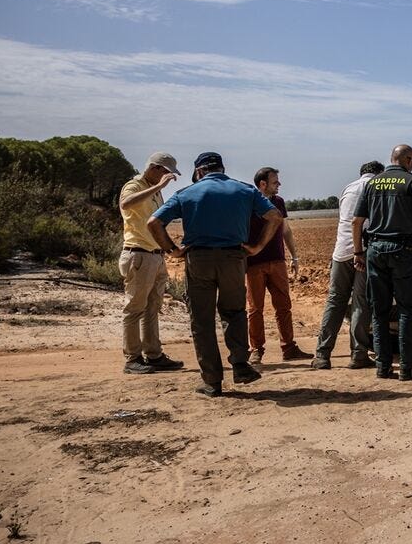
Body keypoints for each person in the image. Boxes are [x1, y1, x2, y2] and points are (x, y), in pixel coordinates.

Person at [147, 151, 283, 397]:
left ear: (199, 171)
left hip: (198, 260)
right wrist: (257, 247)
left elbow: (153, 223)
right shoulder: (244, 190)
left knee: (202, 321)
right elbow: (274, 216)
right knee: (234, 313)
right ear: (222, 168)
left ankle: (212, 381)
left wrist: (173, 251)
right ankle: (240, 365)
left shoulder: (186, 193)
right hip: (233, 257)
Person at [352, 144, 412, 381]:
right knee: (407, 309)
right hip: (402, 251)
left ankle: (383, 366)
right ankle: (408, 367)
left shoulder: (372, 183)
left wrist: (358, 253)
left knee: (379, 311)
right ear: (407, 160)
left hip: (375, 251)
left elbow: (357, 222)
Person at [116, 152, 185, 375]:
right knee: (134, 308)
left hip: (155, 255)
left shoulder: (155, 192)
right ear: (155, 168)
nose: (169, 178)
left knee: (152, 308)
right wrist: (158, 187)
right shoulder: (134, 185)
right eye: (167, 173)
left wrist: (169, 249)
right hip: (138, 254)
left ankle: (153, 355)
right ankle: (132, 358)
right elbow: (126, 204)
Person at [311, 160, 385, 370]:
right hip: (361, 251)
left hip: (340, 251)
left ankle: (322, 355)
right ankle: (359, 354)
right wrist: (359, 251)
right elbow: (361, 223)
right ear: (379, 174)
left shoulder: (348, 187)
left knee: (335, 301)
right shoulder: (377, 187)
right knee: (361, 302)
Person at [244, 167, 311, 364]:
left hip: (277, 261)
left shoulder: (278, 202)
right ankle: (256, 349)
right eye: (275, 181)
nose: (279, 184)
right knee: (255, 309)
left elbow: (286, 230)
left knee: (284, 306)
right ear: (262, 184)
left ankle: (289, 348)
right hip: (254, 263)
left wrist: (294, 257)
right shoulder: (248, 203)